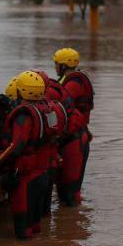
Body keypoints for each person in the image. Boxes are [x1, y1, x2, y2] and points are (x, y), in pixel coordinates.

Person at [0, 71, 50, 240]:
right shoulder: (45, 108)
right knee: (36, 226)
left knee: (23, 231)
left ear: (21, 91)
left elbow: (16, 147)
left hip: (26, 176)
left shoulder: (23, 115)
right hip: (42, 172)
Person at [53, 48, 94, 206]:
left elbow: (61, 105)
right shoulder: (73, 80)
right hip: (77, 136)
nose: (55, 67)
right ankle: (74, 223)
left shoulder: (73, 84)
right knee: (68, 190)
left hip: (75, 140)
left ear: (64, 66)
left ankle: (74, 223)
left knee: (69, 192)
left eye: (57, 64)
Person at [34, 70, 70, 217]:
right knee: (45, 211)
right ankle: (49, 235)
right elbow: (54, 132)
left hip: (42, 164)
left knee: (36, 211)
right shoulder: (51, 109)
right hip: (50, 161)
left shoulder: (44, 109)